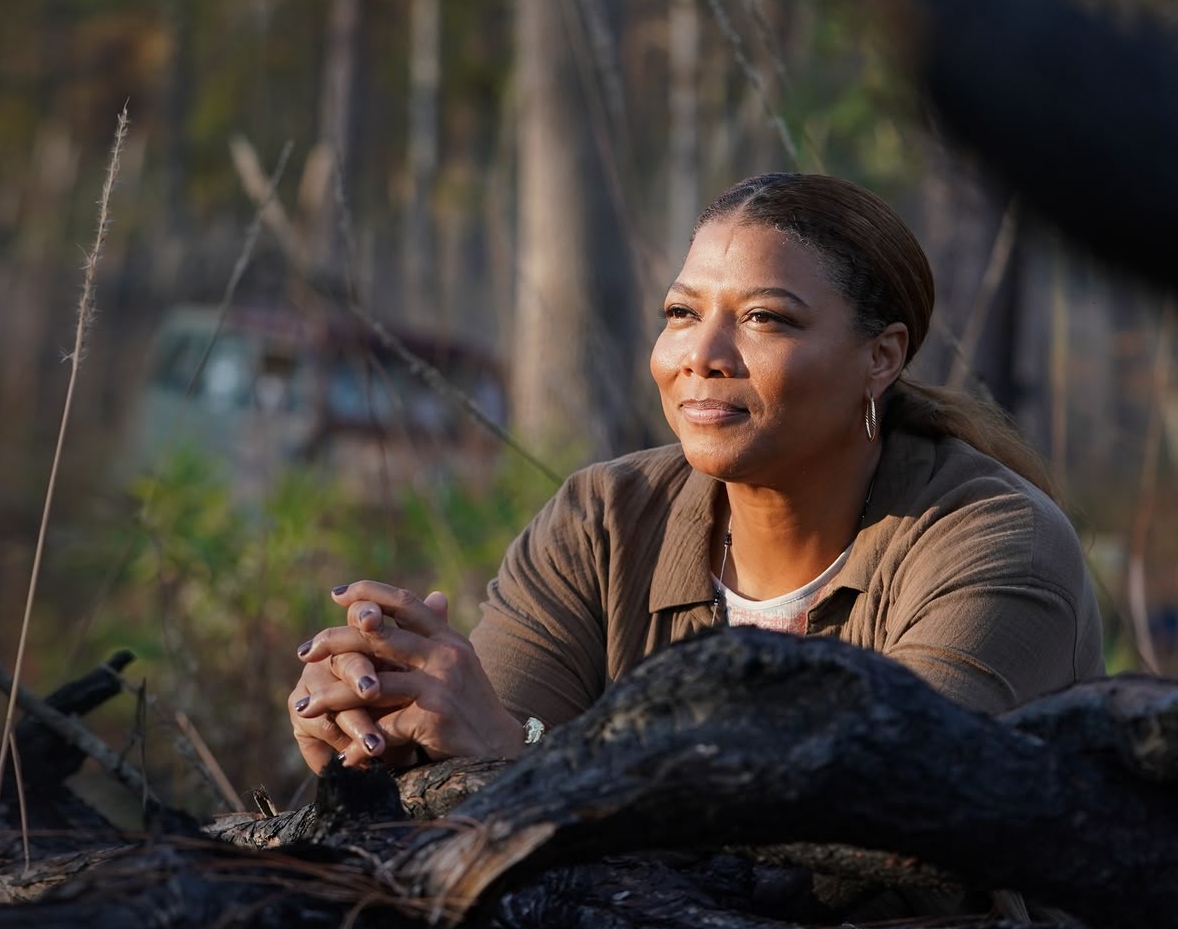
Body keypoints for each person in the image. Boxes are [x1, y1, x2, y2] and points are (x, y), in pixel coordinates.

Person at [285, 172, 1104, 775]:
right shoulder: (601, 522)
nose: (702, 355)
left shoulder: (996, 543)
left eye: (765, 319)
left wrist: (511, 755)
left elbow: (880, 806)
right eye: (681, 313)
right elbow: (484, 757)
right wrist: (391, 727)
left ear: (881, 357)